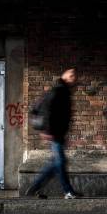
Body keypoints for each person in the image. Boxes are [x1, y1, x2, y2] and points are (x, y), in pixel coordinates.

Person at [25, 68, 80, 199]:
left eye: (75, 76)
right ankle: (68, 191)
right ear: (65, 76)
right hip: (54, 133)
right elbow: (47, 110)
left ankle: (34, 188)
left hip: (58, 133)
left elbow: (62, 114)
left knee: (56, 163)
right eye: (72, 76)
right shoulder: (58, 90)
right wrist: (47, 131)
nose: (74, 78)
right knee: (60, 162)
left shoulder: (64, 90)